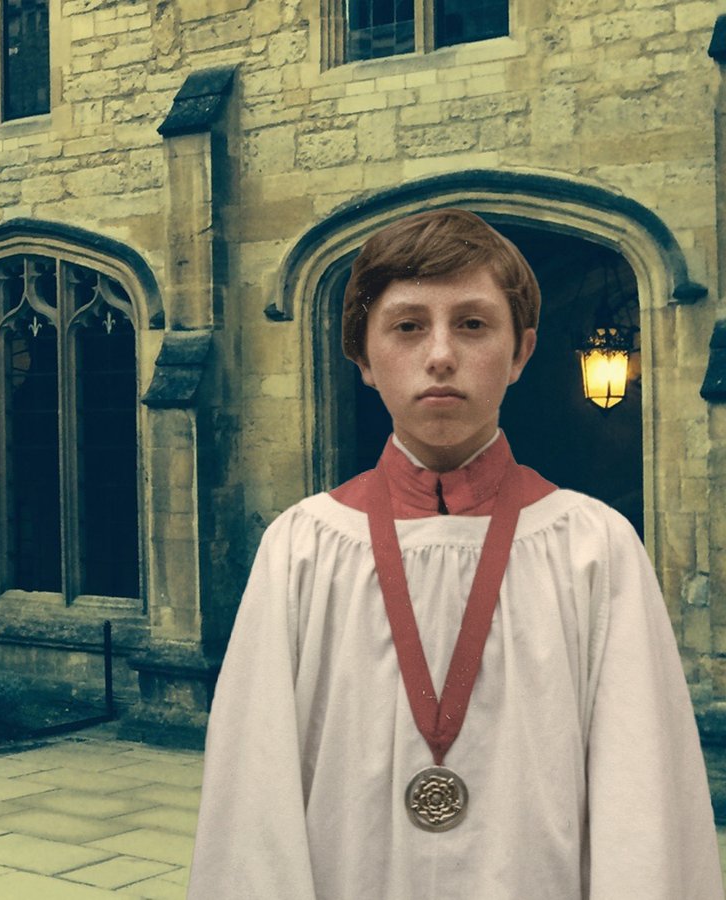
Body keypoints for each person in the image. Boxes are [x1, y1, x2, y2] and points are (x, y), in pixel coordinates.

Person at [186, 208, 724, 899]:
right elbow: (252, 803)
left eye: (472, 324)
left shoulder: (593, 549)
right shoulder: (302, 549)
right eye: (408, 326)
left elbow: (642, 804)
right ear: (362, 358)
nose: (440, 354)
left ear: (521, 351)